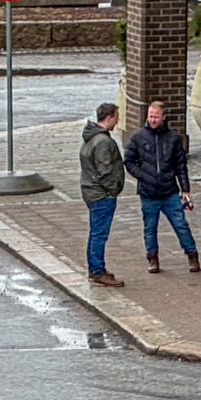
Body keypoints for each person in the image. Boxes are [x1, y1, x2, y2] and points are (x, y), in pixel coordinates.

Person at [124, 100, 199, 274]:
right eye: (150, 116)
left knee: (181, 225)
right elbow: (129, 161)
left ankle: (192, 255)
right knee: (150, 228)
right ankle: (152, 258)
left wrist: (185, 189)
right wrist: (143, 176)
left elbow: (181, 165)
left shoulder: (173, 139)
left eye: (156, 116)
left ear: (163, 117)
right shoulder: (138, 137)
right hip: (148, 192)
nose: (152, 119)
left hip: (169, 191)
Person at [79, 103, 126, 287]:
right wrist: (113, 190)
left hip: (90, 190)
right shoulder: (103, 142)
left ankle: (95, 268)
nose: (117, 120)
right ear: (109, 118)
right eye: (116, 116)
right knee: (99, 233)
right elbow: (105, 170)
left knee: (95, 232)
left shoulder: (90, 138)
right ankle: (98, 271)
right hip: (101, 194)